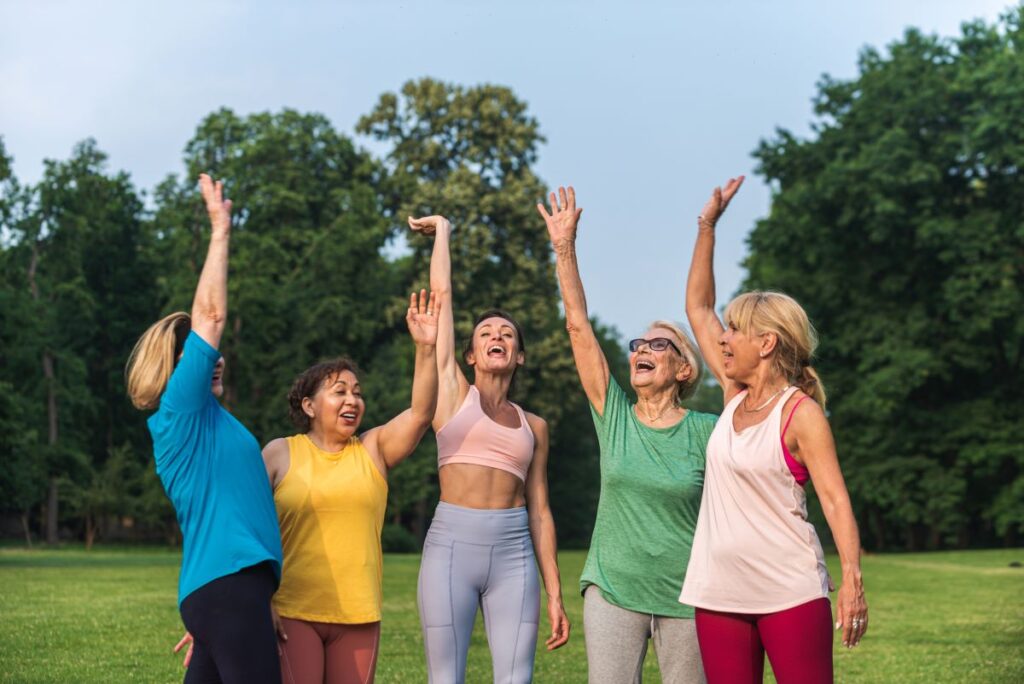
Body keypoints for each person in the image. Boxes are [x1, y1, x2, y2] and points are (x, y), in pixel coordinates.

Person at [680, 176, 869, 683]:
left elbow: (834, 500)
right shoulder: (732, 393)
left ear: (765, 343)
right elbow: (697, 307)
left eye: (735, 330)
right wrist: (706, 227)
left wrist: (851, 576)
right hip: (717, 591)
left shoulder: (800, 413)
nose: (723, 339)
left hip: (789, 590)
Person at [537, 187, 714, 683]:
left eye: (662, 344)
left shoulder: (708, 431)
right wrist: (565, 248)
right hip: (613, 591)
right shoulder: (613, 414)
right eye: (641, 342)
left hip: (689, 597)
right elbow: (577, 327)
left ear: (683, 370)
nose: (644, 348)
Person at [126, 174, 283, 684]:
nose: (214, 361)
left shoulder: (207, 421)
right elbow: (211, 316)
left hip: (222, 595)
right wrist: (220, 230)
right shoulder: (180, 409)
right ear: (174, 367)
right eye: (196, 356)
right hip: (229, 590)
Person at [407, 214, 570, 684]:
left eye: (506, 334)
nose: (496, 337)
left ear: (518, 355)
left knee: (516, 679)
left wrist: (555, 592)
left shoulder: (533, 425)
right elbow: (442, 299)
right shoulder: (454, 396)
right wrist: (443, 233)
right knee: (445, 679)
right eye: (486, 334)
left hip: (514, 554)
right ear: (471, 356)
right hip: (451, 549)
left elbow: (540, 512)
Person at [261, 289, 440, 684]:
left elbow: (422, 413)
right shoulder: (278, 454)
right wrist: (258, 600)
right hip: (292, 611)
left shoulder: (373, 448)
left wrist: (426, 348)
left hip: (359, 615)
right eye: (339, 391)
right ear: (309, 405)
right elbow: (247, 530)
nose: (353, 400)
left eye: (357, 393)